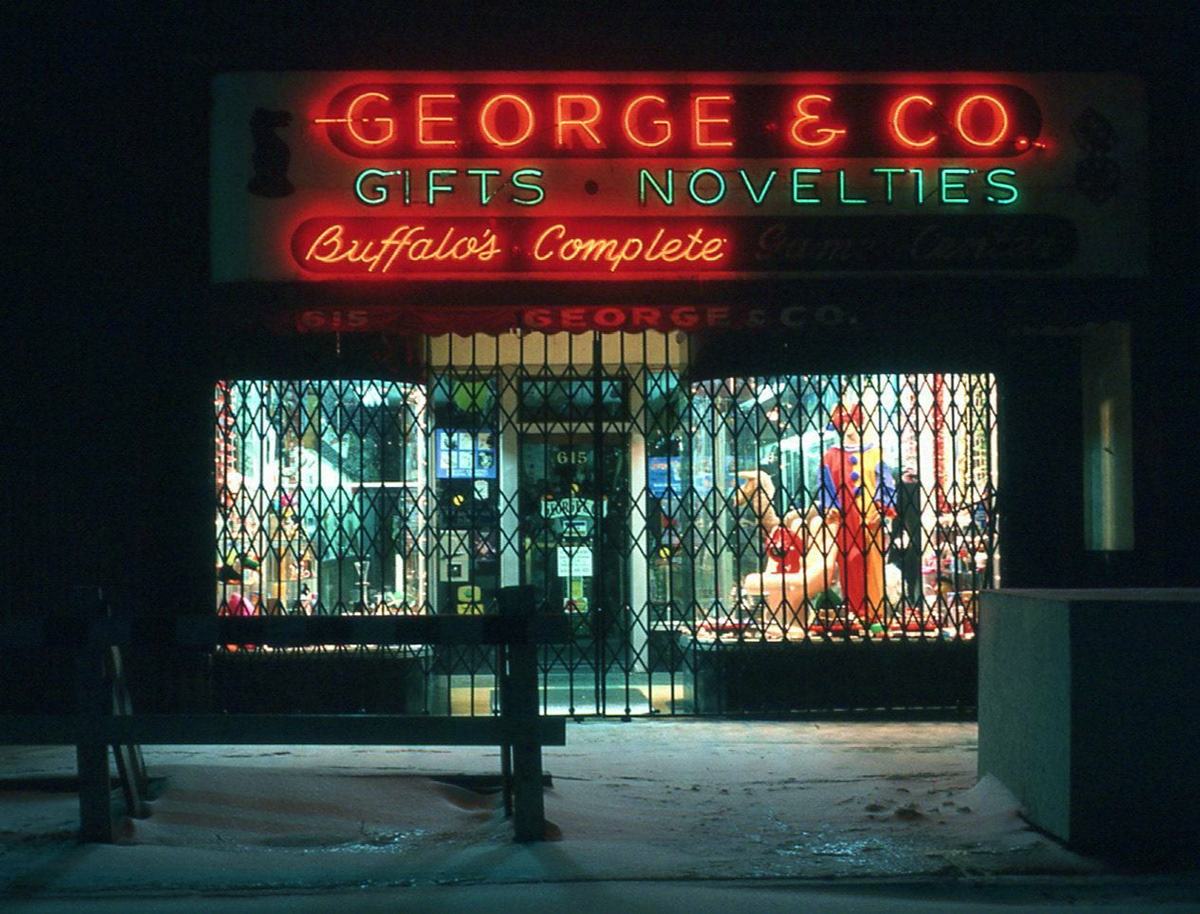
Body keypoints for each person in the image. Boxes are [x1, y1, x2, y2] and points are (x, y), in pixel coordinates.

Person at [818, 401, 896, 627]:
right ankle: (854, 609)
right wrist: (829, 506)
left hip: (870, 518)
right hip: (844, 518)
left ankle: (874, 611)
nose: (848, 428)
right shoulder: (830, 455)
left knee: (872, 561)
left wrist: (882, 508)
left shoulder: (874, 453)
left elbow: (886, 483)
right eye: (844, 424)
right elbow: (825, 484)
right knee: (849, 561)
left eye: (851, 422)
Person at [889, 466, 924, 607]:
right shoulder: (903, 492)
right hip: (906, 542)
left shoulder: (908, 492)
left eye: (914, 478)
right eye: (908, 477)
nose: (911, 481)